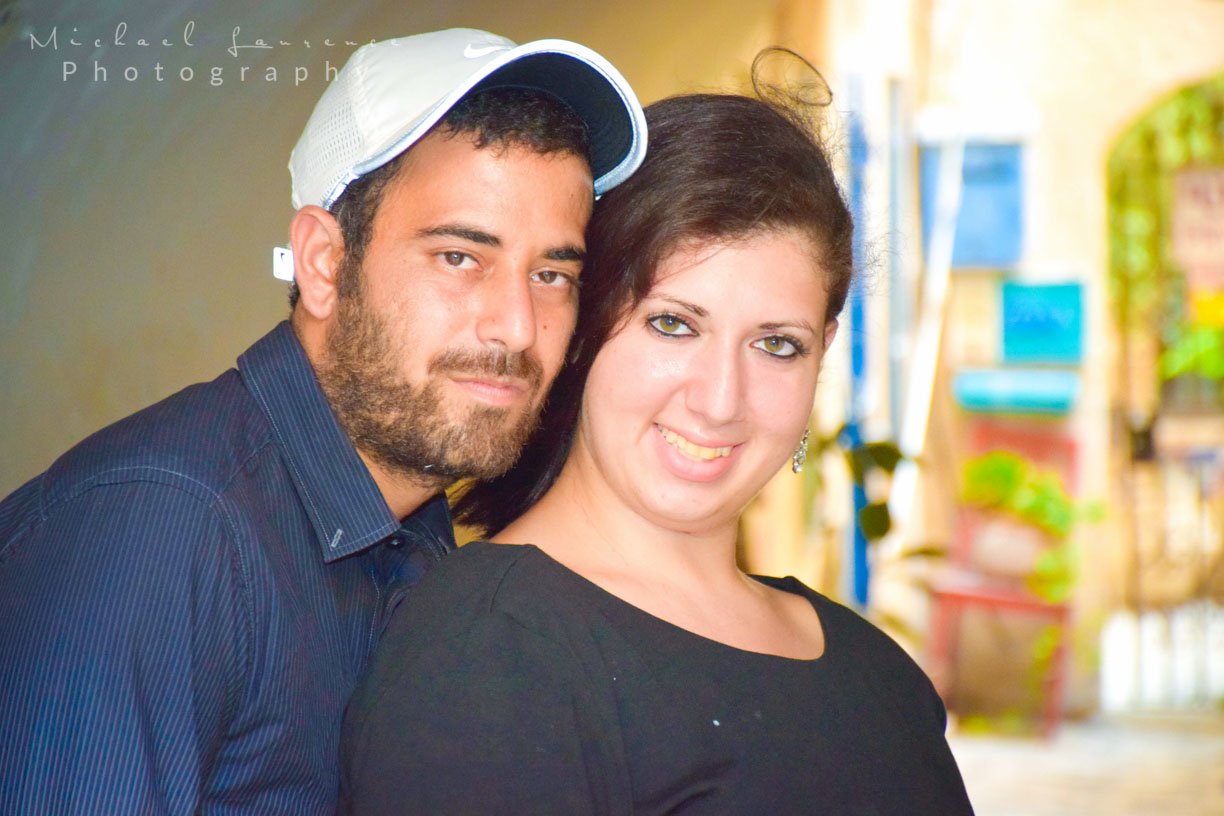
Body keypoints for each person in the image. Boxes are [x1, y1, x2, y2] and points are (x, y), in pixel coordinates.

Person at [0, 28, 646, 814]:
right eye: (459, 257)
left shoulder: (413, 529)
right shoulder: (163, 530)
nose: (515, 326)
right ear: (323, 263)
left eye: (551, 274)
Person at [340, 73, 975, 814]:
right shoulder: (484, 654)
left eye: (776, 344)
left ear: (823, 353)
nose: (720, 400)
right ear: (583, 327)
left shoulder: (879, 674)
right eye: (673, 324)